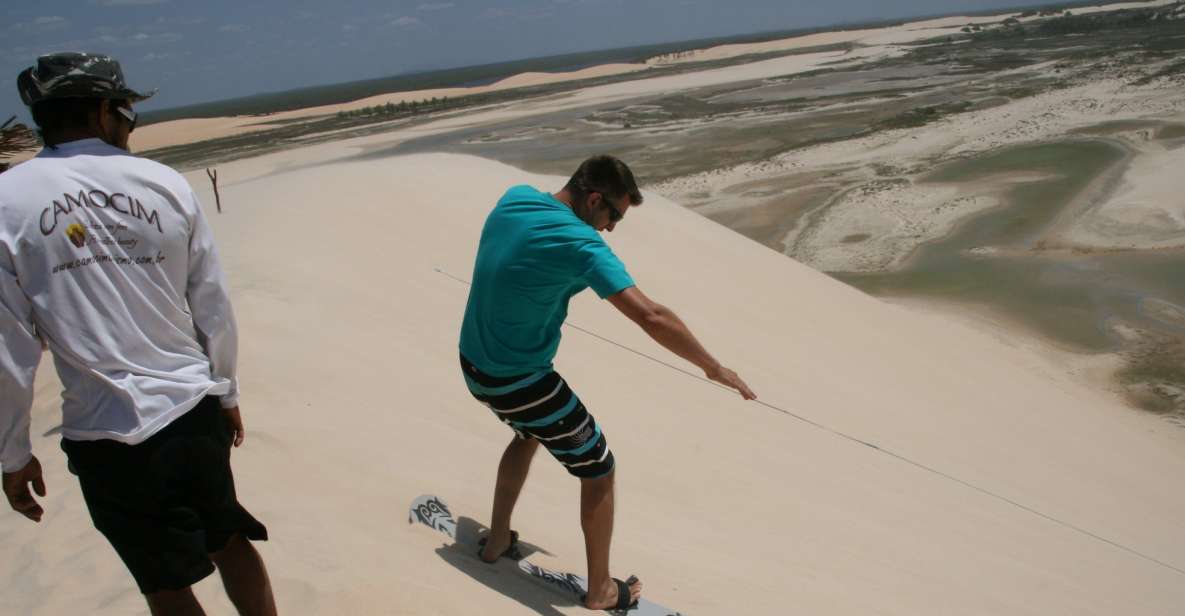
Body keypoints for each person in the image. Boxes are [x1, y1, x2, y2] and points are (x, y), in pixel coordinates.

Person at [0, 52, 276, 616]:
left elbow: (10, 350)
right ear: (104, 111)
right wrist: (226, 392)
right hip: (190, 410)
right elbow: (213, 307)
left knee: (164, 582)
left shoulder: (8, 202)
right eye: (128, 112)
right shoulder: (163, 183)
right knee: (229, 540)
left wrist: (12, 452)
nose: (130, 126)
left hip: (105, 434)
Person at [459, 154, 756, 610]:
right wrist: (713, 367)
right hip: (518, 380)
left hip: (474, 364)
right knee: (599, 467)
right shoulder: (582, 244)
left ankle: (497, 540)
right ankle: (600, 591)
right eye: (613, 215)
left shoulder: (515, 199)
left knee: (528, 432)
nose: (612, 228)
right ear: (594, 198)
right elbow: (651, 315)